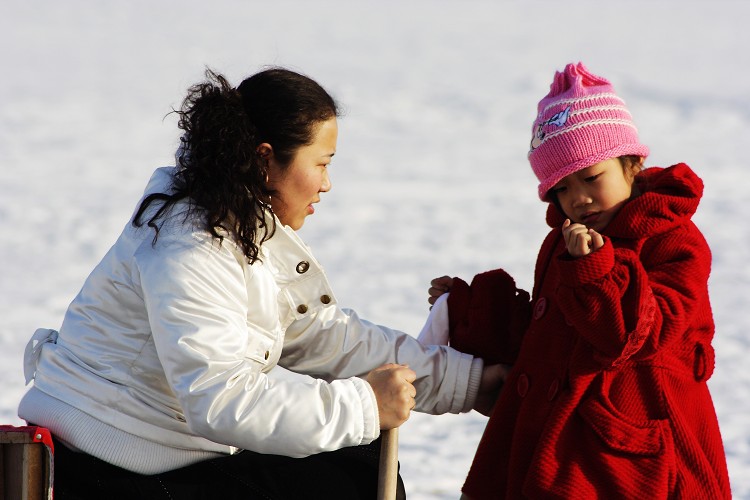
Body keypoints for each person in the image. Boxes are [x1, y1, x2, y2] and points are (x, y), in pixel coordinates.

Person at [19, 67, 505, 499]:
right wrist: (363, 404)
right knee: (346, 482)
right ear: (265, 159)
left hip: (157, 444)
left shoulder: (239, 222)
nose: (326, 184)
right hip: (111, 460)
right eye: (322, 163)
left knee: (358, 464)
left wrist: (464, 382)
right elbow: (218, 396)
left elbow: (321, 335)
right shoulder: (191, 246)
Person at [425, 62, 731, 498]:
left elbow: (637, 336)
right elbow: (545, 337)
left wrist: (597, 272)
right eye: (561, 189)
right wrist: (474, 310)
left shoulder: (673, 239)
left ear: (632, 162)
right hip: (552, 436)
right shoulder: (563, 243)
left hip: (624, 448)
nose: (579, 199)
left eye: (591, 178)